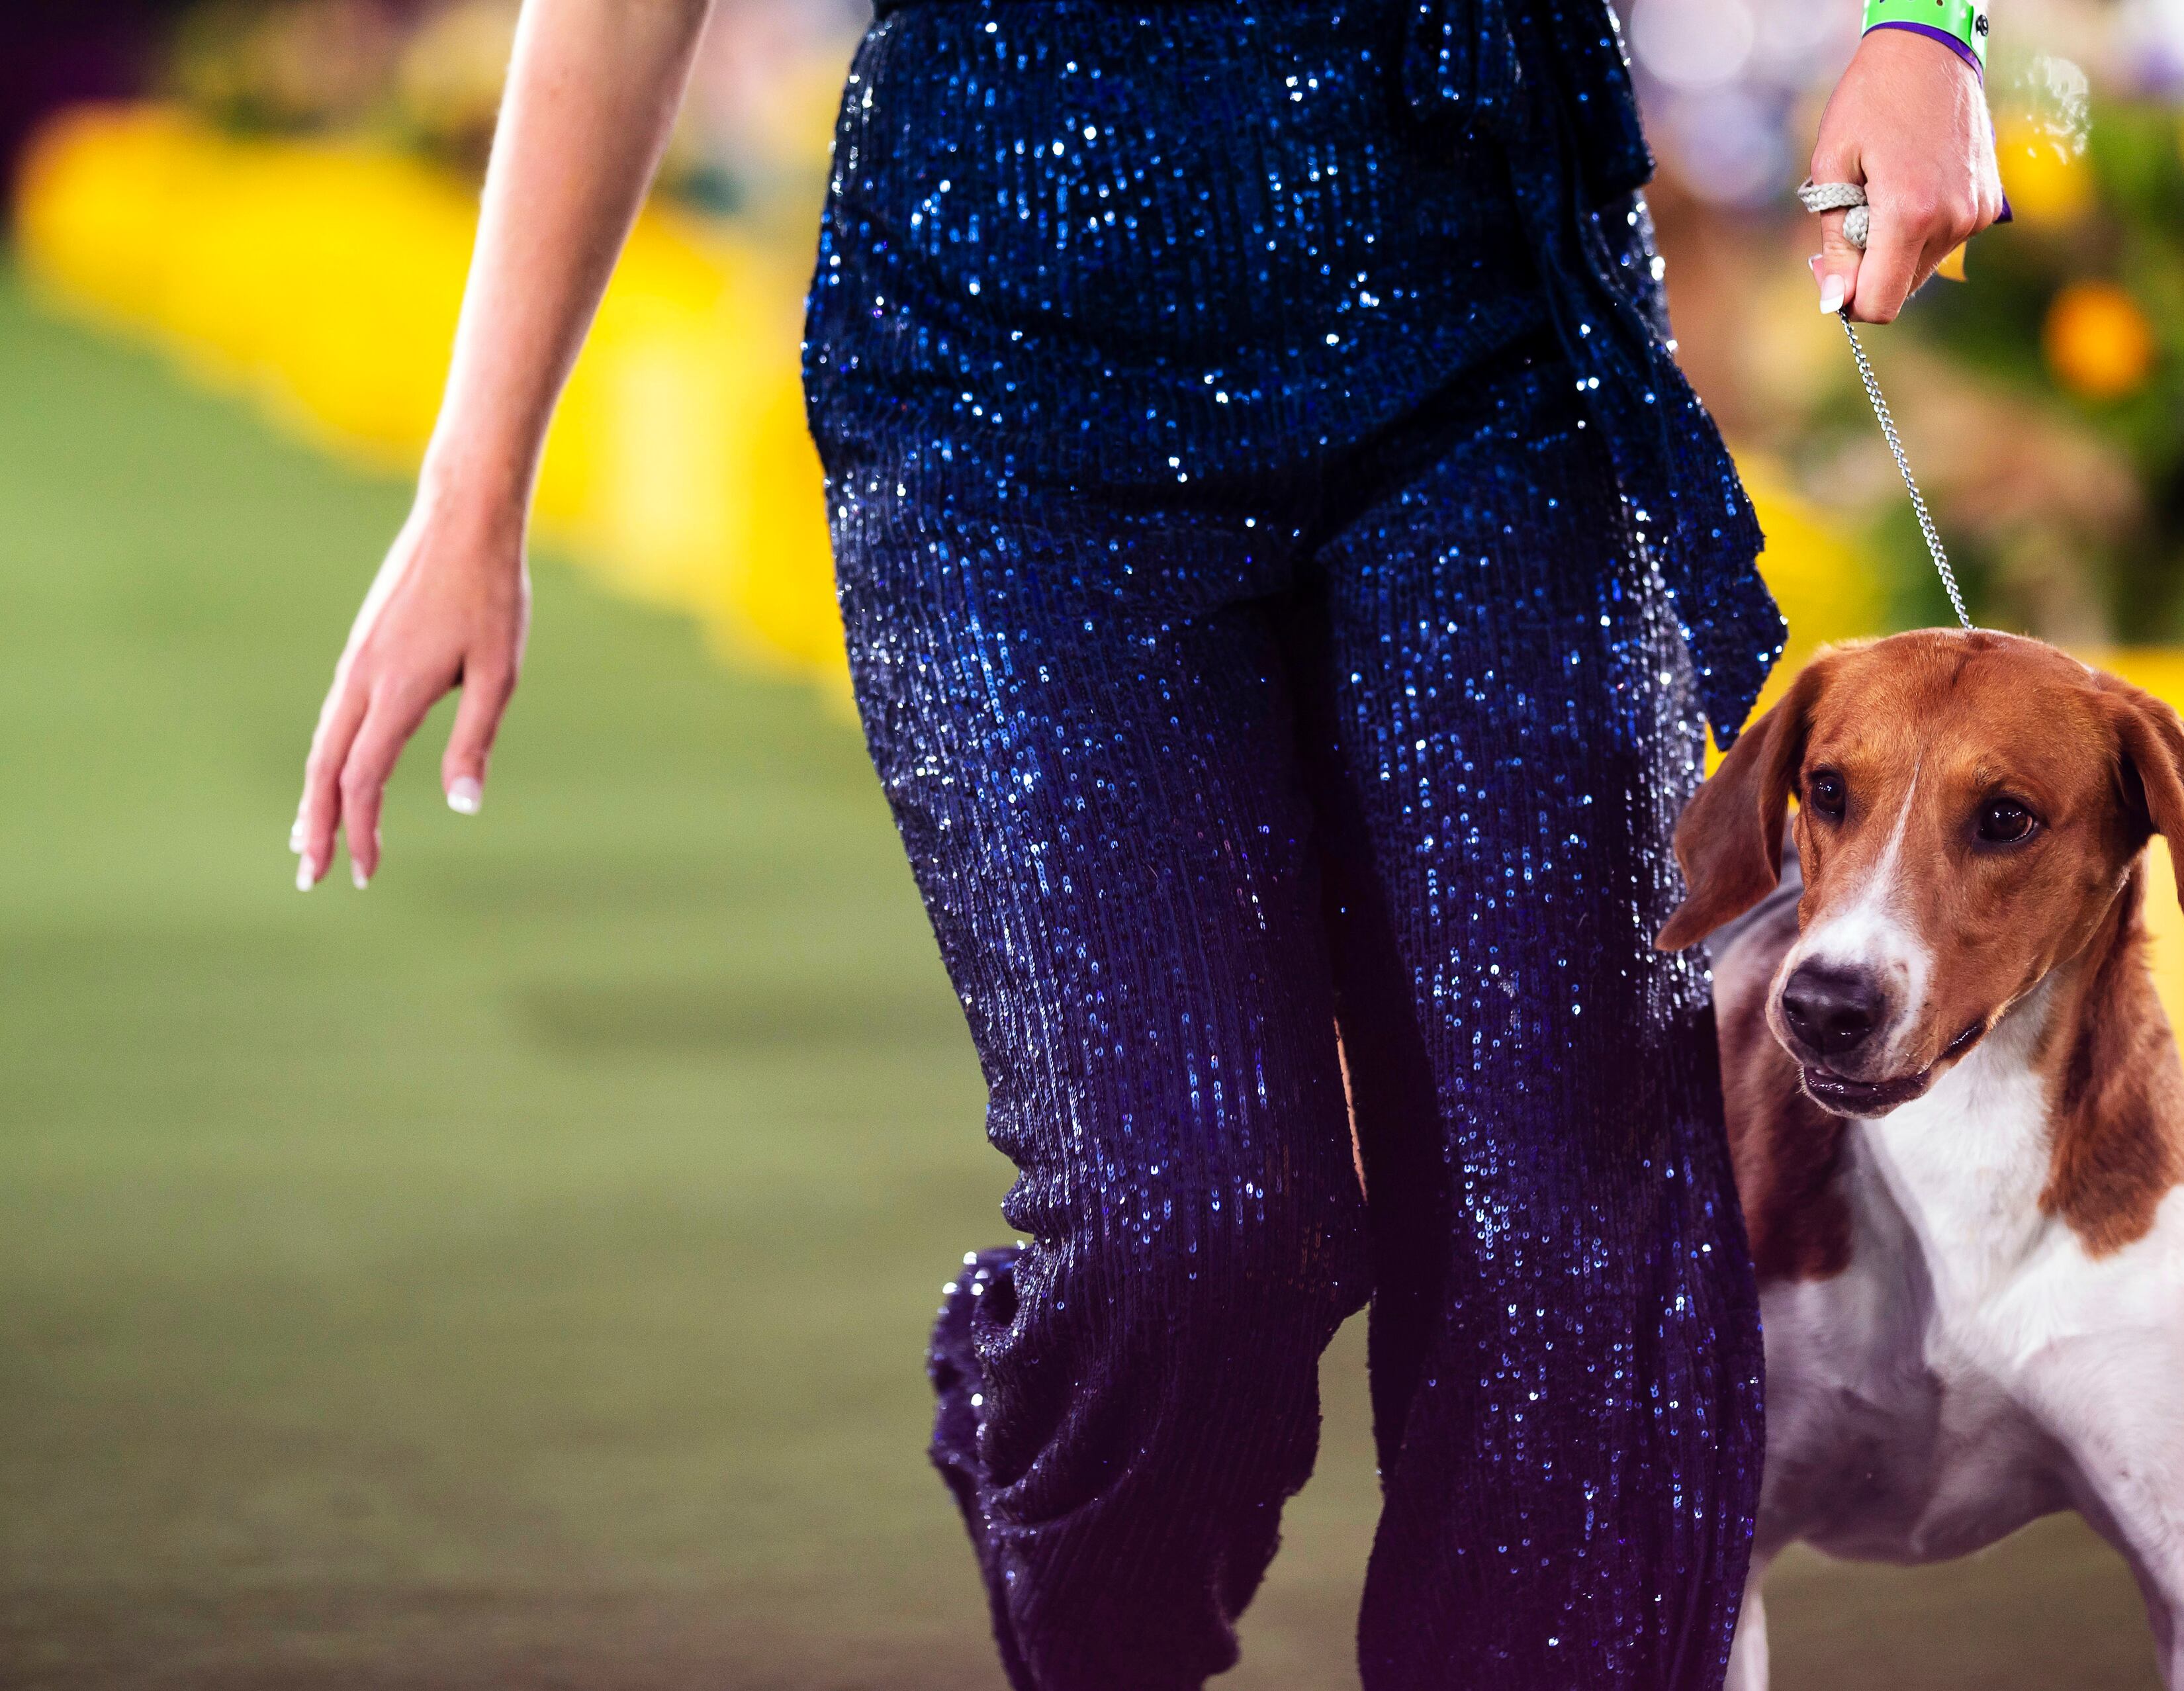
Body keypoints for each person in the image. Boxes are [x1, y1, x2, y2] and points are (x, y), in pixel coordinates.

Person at [289, 0, 2001, 1684]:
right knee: (1188, 1225)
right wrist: (473, 488)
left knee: (1565, 1229)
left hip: (1487, 331)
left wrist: (1929, 24)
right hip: (1002, 375)